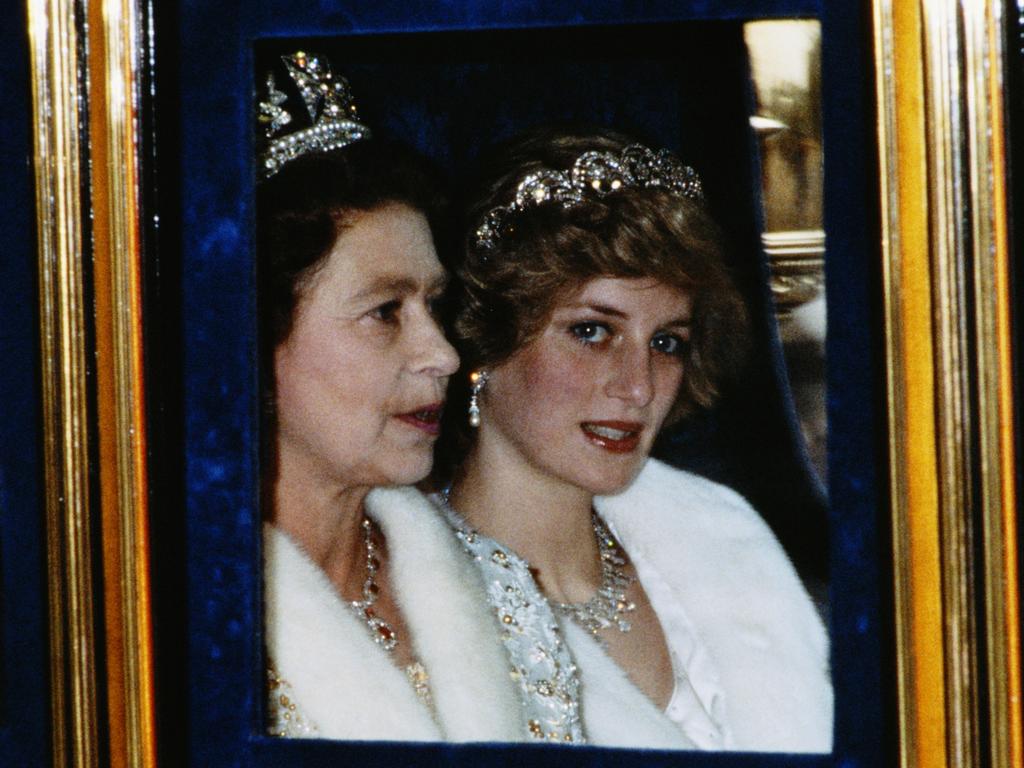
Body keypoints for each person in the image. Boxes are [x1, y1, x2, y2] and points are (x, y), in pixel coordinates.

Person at [433, 127, 833, 751]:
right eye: (592, 332)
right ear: (483, 341)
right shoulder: (421, 608)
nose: (639, 386)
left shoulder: (722, 543)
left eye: (666, 342)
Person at [257, 52, 524, 741]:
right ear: (252, 342)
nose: (442, 354)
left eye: (434, 305)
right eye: (385, 312)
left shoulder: (496, 585)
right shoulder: (177, 625)